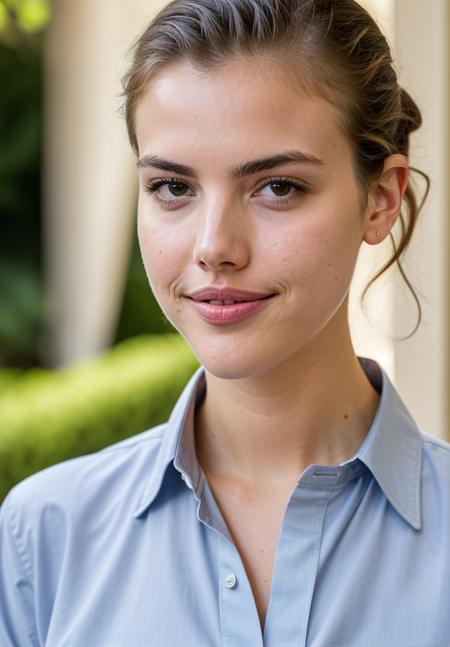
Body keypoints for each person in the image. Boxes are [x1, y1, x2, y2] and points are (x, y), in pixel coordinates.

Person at [1, 0, 449, 644]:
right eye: (173, 188)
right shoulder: (42, 537)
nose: (215, 246)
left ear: (380, 199)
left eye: (278, 187)